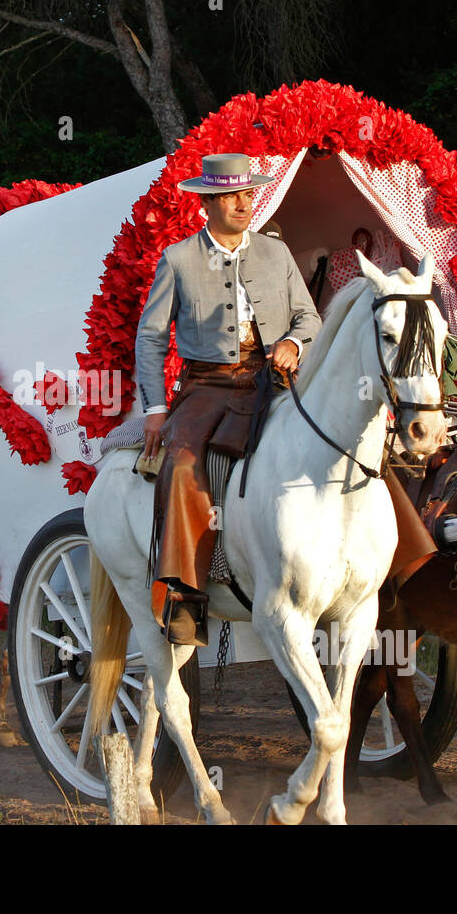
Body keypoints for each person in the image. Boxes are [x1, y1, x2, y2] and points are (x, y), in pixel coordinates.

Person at [136, 153, 322, 646]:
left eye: (249, 193)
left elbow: (310, 318)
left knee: (340, 435)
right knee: (181, 463)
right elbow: (151, 338)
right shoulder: (178, 259)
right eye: (234, 195)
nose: (246, 203)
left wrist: (293, 343)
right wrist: (156, 410)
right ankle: (184, 595)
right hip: (207, 387)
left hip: (274, 380)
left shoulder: (276, 255)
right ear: (209, 202)